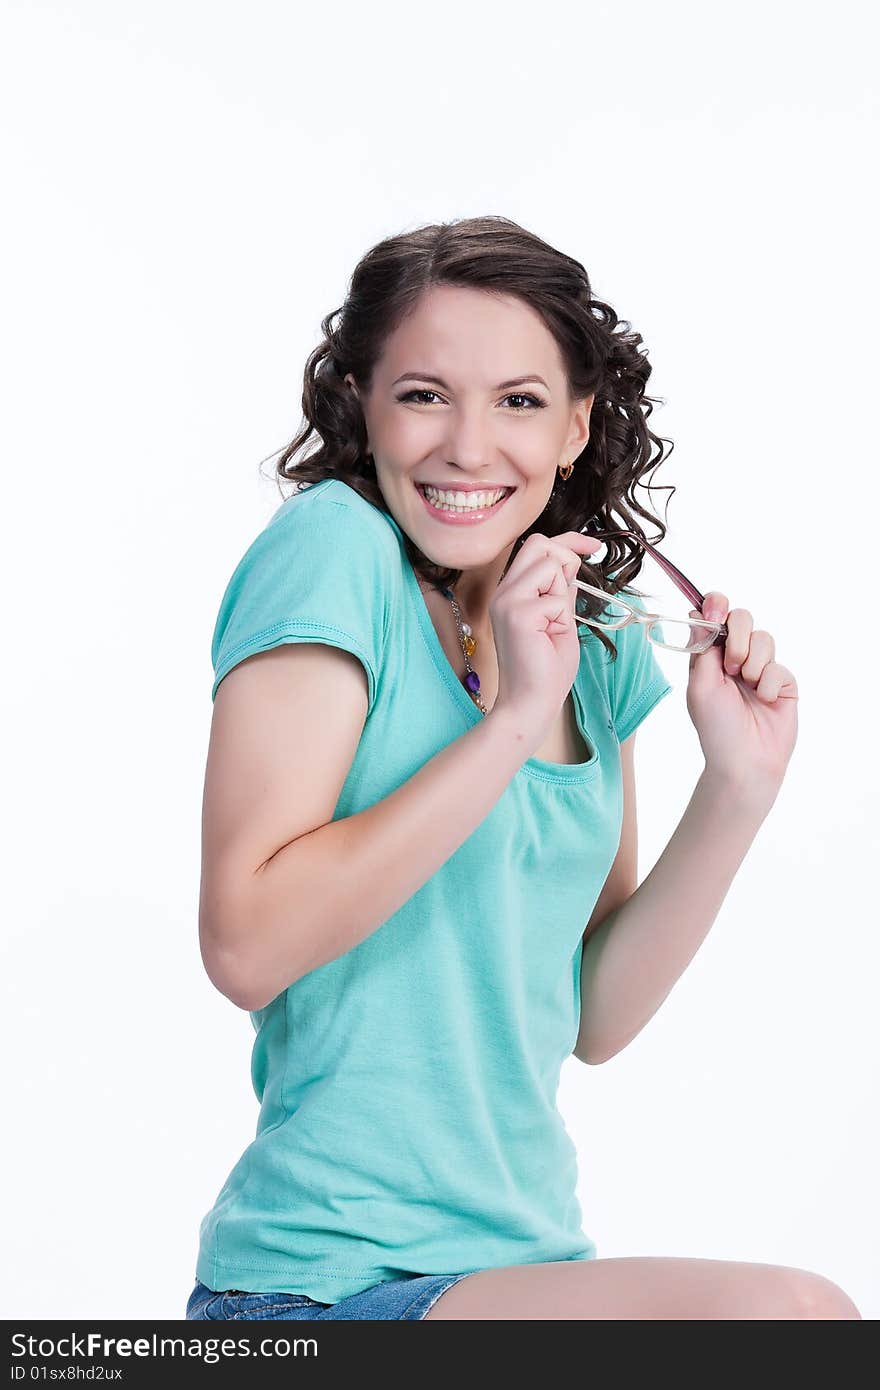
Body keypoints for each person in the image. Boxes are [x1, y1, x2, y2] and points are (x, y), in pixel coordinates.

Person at [186, 216, 860, 1321]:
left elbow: (591, 1011)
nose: (466, 446)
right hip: (318, 1292)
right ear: (361, 403)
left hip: (521, 1272)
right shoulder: (331, 551)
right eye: (421, 394)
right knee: (782, 1320)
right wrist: (509, 723)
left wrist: (737, 788)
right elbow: (246, 944)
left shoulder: (588, 640)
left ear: (574, 425)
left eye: (517, 401)